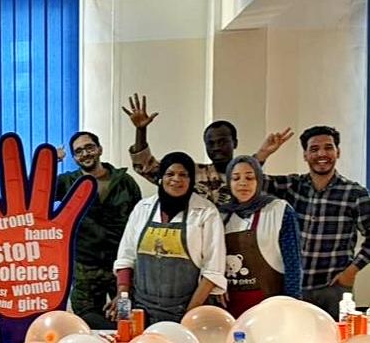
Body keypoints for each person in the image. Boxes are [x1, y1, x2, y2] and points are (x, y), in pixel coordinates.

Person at [261, 126, 370, 319]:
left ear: (338, 152)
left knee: (337, 334)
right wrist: (264, 153)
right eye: (314, 149)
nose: (321, 154)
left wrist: (351, 272)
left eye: (328, 147)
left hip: (334, 288)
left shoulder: (355, 193)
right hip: (294, 287)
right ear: (305, 155)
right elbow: (249, 180)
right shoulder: (293, 186)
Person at [110, 152, 226, 325]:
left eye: (183, 175)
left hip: (186, 309)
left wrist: (188, 318)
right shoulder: (143, 208)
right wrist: (123, 301)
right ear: (160, 178)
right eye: (170, 174)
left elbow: (213, 271)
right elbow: (125, 258)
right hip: (140, 310)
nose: (176, 179)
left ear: (191, 180)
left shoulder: (206, 212)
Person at [56, 131, 141, 329]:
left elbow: (139, 221)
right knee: (86, 320)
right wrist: (51, 161)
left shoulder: (124, 182)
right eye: (78, 151)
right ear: (74, 158)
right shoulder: (68, 182)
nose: (85, 154)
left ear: (99, 149)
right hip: (85, 268)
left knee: (126, 316)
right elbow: (35, 192)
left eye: (89, 147)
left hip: (120, 268)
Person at [123, 93, 243, 206]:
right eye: (210, 143)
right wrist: (141, 130)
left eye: (222, 142)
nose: (216, 148)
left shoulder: (247, 175)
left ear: (235, 143)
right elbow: (144, 166)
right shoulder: (192, 173)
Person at [219, 156, 302, 317]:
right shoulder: (221, 216)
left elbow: (293, 264)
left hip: (271, 307)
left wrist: (293, 305)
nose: (243, 183)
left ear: (259, 180)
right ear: (229, 182)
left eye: (249, 177)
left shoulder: (279, 210)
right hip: (231, 307)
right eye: (236, 178)